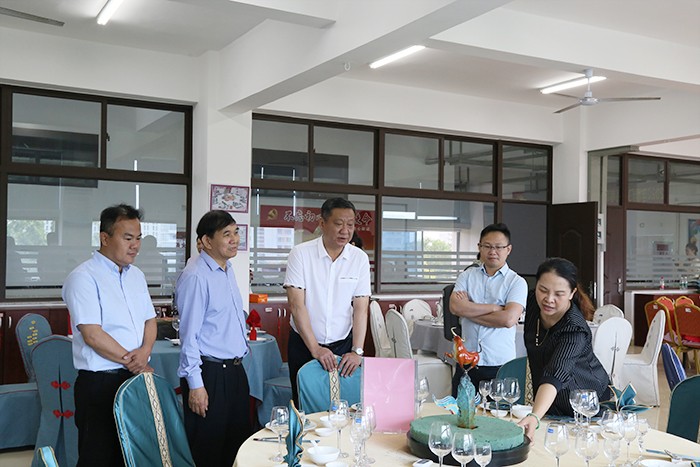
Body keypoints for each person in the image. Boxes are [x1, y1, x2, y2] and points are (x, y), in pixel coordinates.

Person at [62, 204, 157, 467]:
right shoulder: (83, 277)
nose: (135, 245)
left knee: (133, 456)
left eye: (138, 238)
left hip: (134, 379)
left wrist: (145, 351)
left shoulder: (136, 275)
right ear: (105, 238)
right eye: (127, 238)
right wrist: (135, 361)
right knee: (99, 457)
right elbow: (93, 335)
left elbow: (150, 320)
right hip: (100, 383)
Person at [176, 210, 251, 466]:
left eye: (236, 232)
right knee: (208, 450)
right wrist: (196, 385)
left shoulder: (226, 269)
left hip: (234, 370)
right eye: (226, 234)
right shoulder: (196, 276)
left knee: (237, 445)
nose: (234, 239)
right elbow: (189, 335)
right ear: (207, 241)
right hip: (209, 374)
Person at [284, 198, 371, 406]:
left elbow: (361, 309)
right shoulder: (301, 254)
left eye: (350, 225)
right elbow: (297, 305)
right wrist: (315, 348)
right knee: (305, 406)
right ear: (322, 223)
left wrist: (357, 351)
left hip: (343, 345)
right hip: (304, 345)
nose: (345, 231)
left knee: (343, 407)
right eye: (338, 224)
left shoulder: (359, 258)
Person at [518, 257, 611, 441]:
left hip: (587, 407)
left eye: (559, 294)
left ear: (572, 293)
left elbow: (555, 375)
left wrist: (535, 416)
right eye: (543, 290)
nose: (548, 299)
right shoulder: (532, 302)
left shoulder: (574, 329)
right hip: (550, 403)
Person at [448, 223, 527, 395]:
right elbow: (454, 306)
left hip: (499, 364)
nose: (493, 251)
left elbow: (508, 320)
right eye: (488, 246)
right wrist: (495, 308)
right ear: (479, 247)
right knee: (460, 410)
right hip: (466, 362)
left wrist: (467, 311)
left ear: (508, 249)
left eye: (499, 247)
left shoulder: (517, 282)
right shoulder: (466, 276)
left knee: (497, 411)